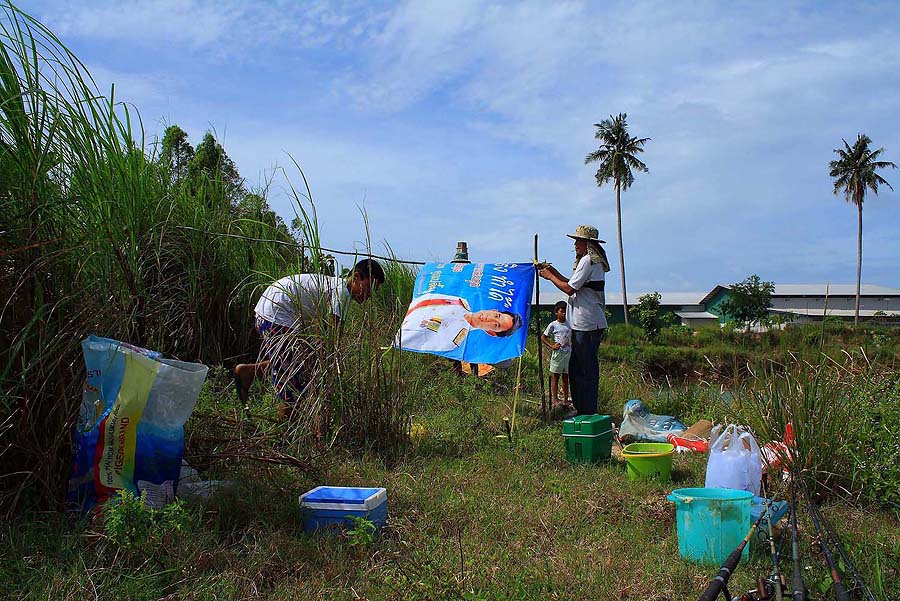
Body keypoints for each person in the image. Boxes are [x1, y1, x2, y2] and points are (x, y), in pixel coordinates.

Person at [233, 258, 385, 405]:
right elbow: (328, 338)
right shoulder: (342, 292)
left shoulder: (340, 290)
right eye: (369, 287)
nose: (369, 295)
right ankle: (287, 423)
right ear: (357, 277)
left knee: (298, 362)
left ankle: (249, 373)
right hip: (277, 313)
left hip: (272, 312)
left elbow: (327, 337)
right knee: (294, 378)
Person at [538, 224, 609, 415]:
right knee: (580, 367)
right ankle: (583, 408)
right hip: (586, 324)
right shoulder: (592, 262)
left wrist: (550, 277)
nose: (575, 244)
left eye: (578, 241)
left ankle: (587, 411)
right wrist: (551, 271)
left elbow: (569, 289)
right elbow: (571, 282)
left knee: (583, 370)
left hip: (586, 324)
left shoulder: (588, 261)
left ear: (588, 243)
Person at [395, 292, 523, 354]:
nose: (490, 318)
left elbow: (421, 335)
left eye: (496, 325)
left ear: (491, 333)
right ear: (493, 310)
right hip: (399, 303)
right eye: (497, 315)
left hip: (400, 330)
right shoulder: (460, 301)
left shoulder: (452, 341)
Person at [541, 300, 571, 410]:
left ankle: (566, 399)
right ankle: (555, 399)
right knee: (555, 377)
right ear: (556, 312)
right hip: (558, 354)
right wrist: (552, 346)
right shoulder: (553, 325)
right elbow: (543, 337)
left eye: (565, 311)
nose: (563, 313)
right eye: (561, 311)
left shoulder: (569, 324)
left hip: (568, 354)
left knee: (566, 377)